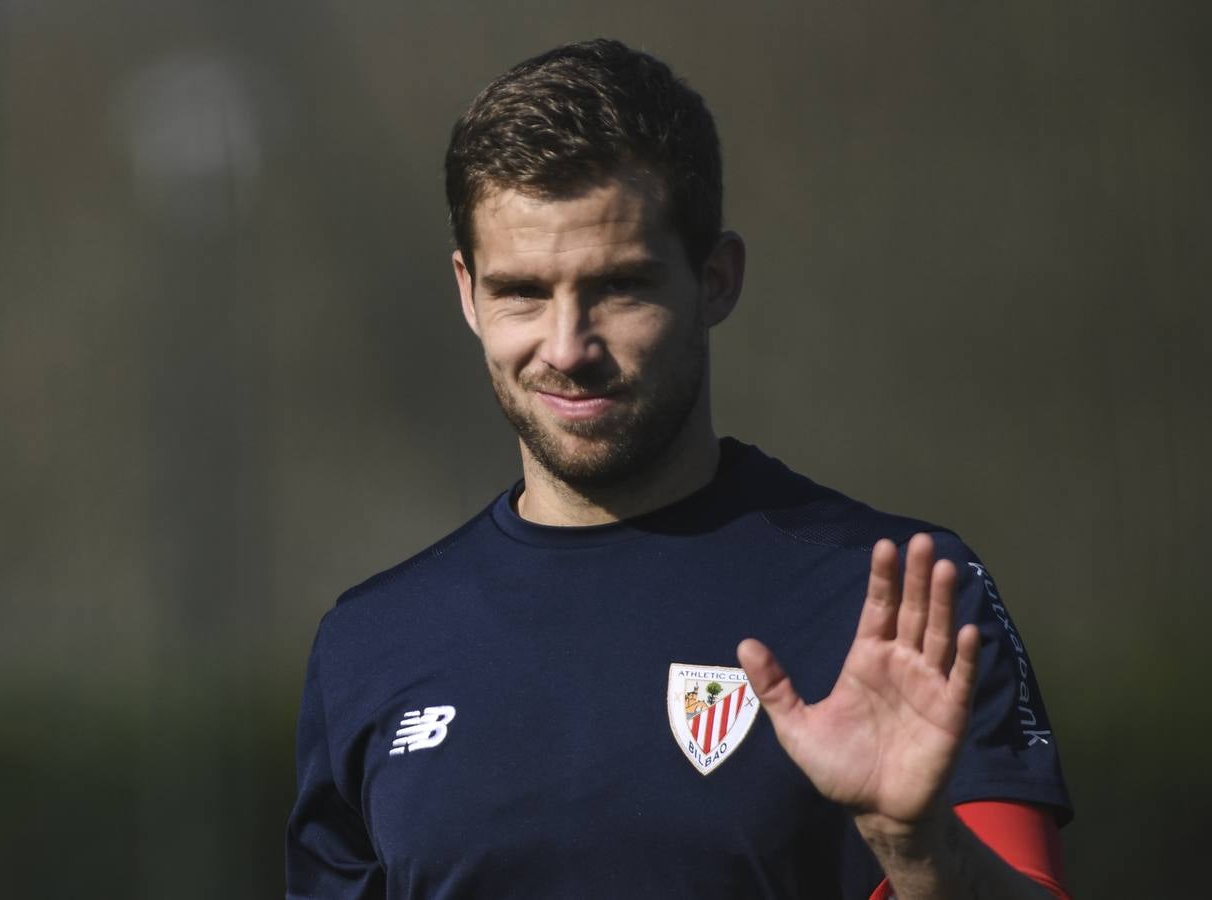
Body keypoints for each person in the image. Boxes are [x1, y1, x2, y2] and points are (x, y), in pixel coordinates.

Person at [286, 38, 1072, 899]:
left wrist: (915, 845)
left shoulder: (898, 597)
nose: (566, 348)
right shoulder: (371, 644)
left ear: (717, 279)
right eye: (523, 292)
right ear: (468, 293)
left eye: (619, 287)